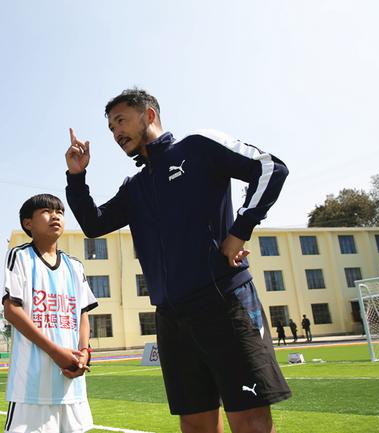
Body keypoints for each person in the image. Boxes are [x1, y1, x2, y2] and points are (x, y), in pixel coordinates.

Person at [65, 88, 291, 433]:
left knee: (249, 420)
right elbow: (94, 224)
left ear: (149, 115)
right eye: (111, 128)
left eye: (121, 121)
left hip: (224, 302)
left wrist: (240, 230)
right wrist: (77, 178)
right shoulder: (136, 186)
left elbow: (271, 168)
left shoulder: (198, 146)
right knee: (195, 423)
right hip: (172, 317)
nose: (116, 133)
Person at [2, 194, 98, 433]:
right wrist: (56, 352)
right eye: (46, 211)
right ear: (28, 223)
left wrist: (84, 353)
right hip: (32, 387)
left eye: (60, 212)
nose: (55, 216)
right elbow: (12, 310)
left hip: (71, 385)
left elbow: (83, 314)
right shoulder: (20, 256)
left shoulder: (75, 266)